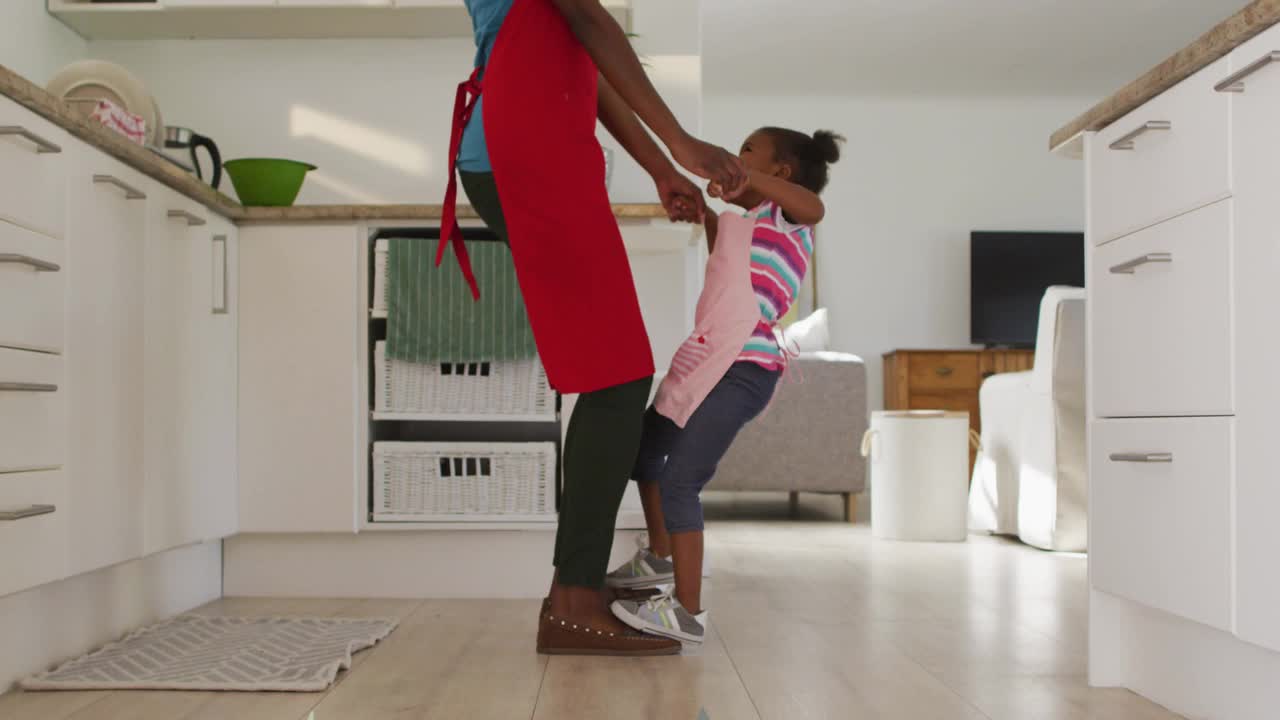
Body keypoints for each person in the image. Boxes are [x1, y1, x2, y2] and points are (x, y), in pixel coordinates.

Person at [443, 0, 748, 656]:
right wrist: (681, 141)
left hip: (529, 147)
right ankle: (573, 599)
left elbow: (584, 55)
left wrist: (662, 167)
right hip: (527, 150)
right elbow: (587, 18)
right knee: (617, 373)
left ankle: (576, 590)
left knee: (617, 371)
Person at [606, 127, 845, 643]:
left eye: (747, 153)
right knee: (644, 455)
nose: (735, 160)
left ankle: (686, 613)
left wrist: (746, 178)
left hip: (744, 368)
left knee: (680, 482)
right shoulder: (747, 223)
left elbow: (815, 207)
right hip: (707, 356)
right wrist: (707, 216)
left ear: (779, 173)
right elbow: (728, 259)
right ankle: (660, 559)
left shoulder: (789, 219)